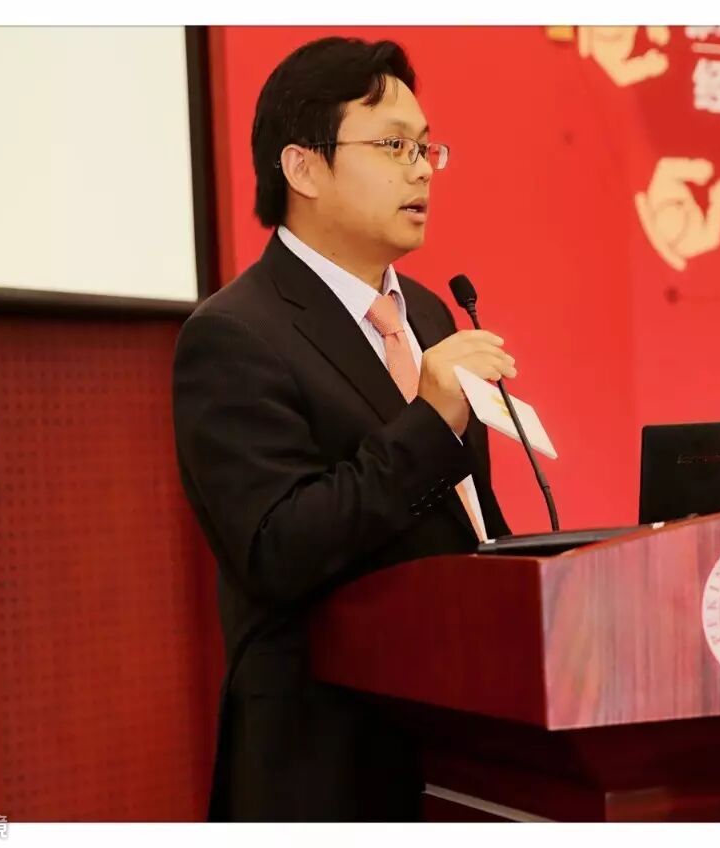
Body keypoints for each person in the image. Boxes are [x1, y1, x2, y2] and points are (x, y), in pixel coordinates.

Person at [171, 36, 515, 822]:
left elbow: (462, 526)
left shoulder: (428, 313)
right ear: (303, 168)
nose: (422, 169)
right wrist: (428, 422)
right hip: (326, 768)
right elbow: (277, 548)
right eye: (393, 146)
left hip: (464, 746)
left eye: (427, 148)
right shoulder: (234, 335)